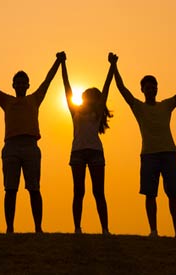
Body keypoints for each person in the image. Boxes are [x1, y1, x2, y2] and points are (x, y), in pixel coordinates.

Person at [111, 55, 176, 238]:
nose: (151, 89)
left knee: (173, 194)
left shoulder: (166, 105)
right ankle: (154, 231)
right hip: (149, 154)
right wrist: (114, 66)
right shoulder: (138, 107)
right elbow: (122, 89)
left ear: (157, 88)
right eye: (147, 87)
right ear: (142, 90)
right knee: (150, 194)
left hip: (168, 153)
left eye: (153, 87)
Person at [0, 52, 63, 233]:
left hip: (31, 146)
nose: (21, 85)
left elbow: (48, 80)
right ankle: (9, 228)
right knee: (10, 189)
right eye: (18, 82)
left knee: (34, 189)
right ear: (13, 85)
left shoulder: (34, 99)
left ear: (28, 85)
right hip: (11, 147)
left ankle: (38, 227)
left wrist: (58, 61)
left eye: (24, 82)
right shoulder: (7, 100)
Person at [60, 52, 115, 235]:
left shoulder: (97, 112)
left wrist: (112, 65)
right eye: (85, 96)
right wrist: (63, 64)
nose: (86, 99)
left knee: (99, 192)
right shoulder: (75, 111)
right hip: (77, 152)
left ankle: (105, 229)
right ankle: (77, 228)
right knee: (78, 192)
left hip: (95, 152)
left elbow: (107, 88)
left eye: (89, 96)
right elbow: (67, 88)